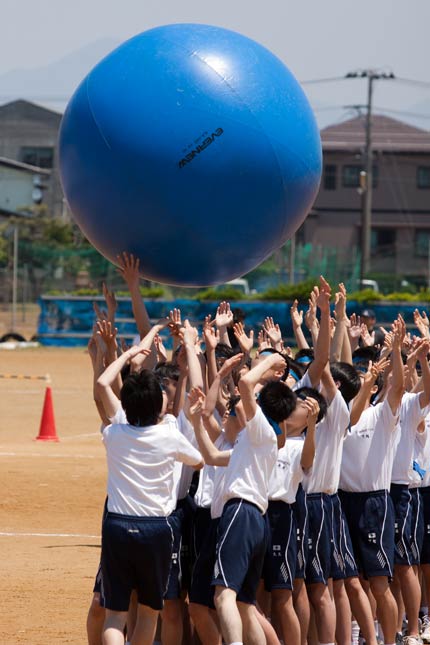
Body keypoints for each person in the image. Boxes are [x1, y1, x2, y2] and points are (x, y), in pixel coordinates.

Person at [96, 345, 204, 645]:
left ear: (127, 405)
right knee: (148, 611)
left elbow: (104, 383)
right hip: (156, 529)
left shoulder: (114, 434)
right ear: (160, 405)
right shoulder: (170, 434)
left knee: (115, 615)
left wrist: (128, 355)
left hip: (116, 525)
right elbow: (198, 461)